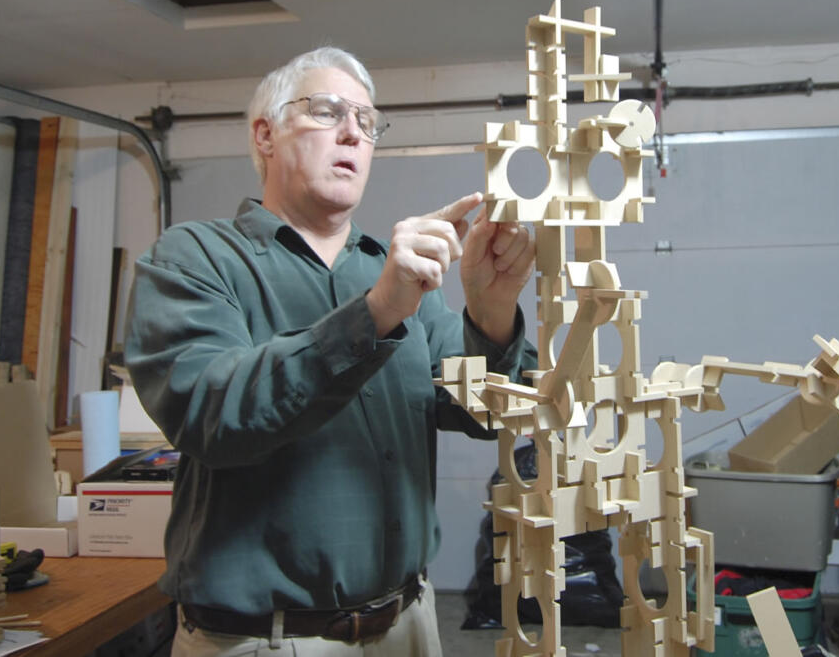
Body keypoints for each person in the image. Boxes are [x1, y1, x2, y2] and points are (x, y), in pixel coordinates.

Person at [125, 46, 537, 656]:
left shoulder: (394, 275)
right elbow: (212, 413)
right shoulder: (195, 259)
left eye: (367, 123)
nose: (352, 131)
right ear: (264, 134)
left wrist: (491, 308)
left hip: (410, 624)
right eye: (325, 111)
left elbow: (484, 412)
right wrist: (376, 314)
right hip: (269, 640)